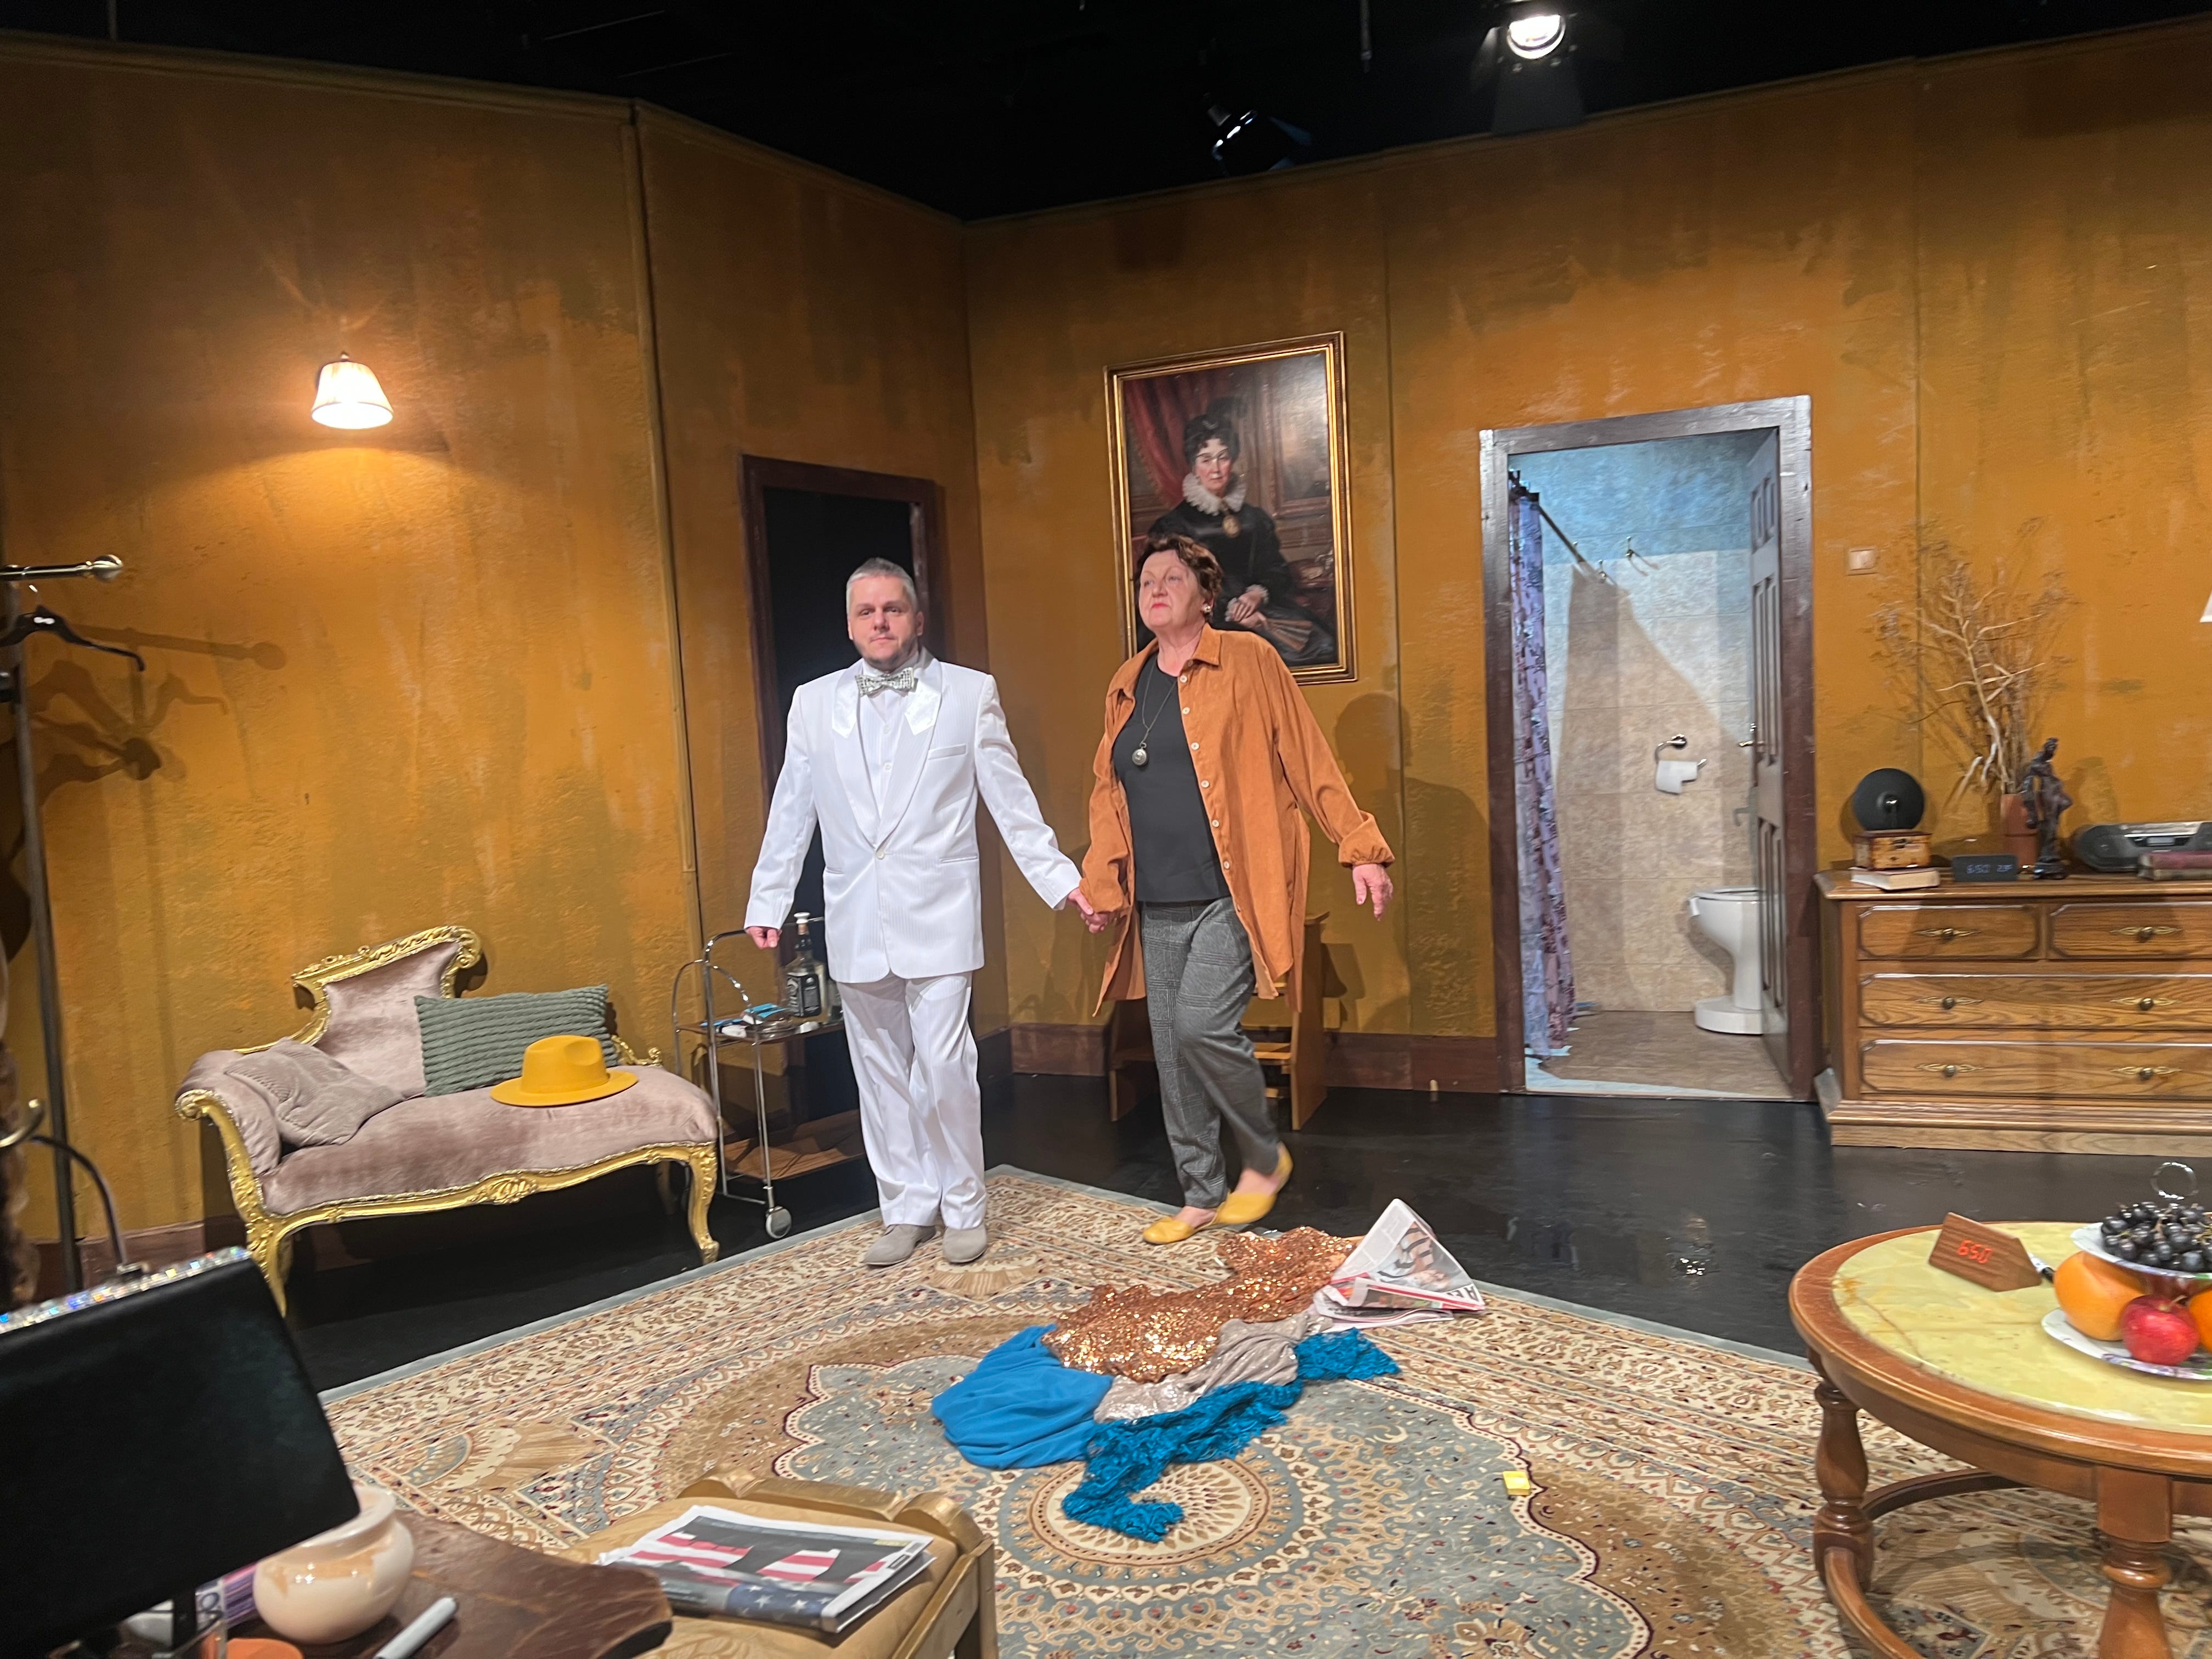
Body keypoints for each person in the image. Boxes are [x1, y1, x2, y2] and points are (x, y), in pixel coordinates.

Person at [746, 558, 1097, 1267]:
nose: (880, 622)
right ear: (850, 625)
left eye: (893, 609)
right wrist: (769, 898)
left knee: (944, 1064)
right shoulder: (813, 703)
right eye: (866, 612)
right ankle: (905, 1206)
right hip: (855, 914)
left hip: (939, 911)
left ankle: (964, 1204)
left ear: (917, 617)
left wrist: (1061, 880)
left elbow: (1010, 799)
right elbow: (792, 809)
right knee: (878, 1072)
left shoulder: (968, 694)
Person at [1078, 533, 1393, 1245]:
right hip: (1157, 900)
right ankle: (1199, 1193)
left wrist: (1360, 848)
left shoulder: (1249, 660)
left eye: (1172, 578)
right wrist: (1104, 882)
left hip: (1232, 891)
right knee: (1171, 1052)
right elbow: (1107, 793)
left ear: (1207, 594)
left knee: (1201, 1026)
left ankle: (1263, 1155)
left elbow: (1308, 757)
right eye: (1146, 582)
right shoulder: (1127, 681)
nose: (1156, 590)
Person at [1146, 399, 1336, 668]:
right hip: (1207, 619)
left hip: (1260, 608)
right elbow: (1180, 588)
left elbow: (1276, 570)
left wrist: (1256, 596)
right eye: (1206, 460)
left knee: (1325, 646)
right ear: (1193, 467)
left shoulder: (1253, 518)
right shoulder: (1175, 525)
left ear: (1233, 461)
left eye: (1223, 457)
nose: (1216, 469)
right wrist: (1232, 610)